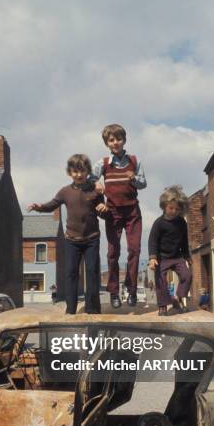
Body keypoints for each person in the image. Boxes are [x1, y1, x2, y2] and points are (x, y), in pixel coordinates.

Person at [28, 154, 107, 315]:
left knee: (92, 272)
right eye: (75, 171)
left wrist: (104, 209)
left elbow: (103, 212)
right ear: (69, 173)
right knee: (71, 273)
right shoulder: (65, 191)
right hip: (72, 240)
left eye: (82, 171)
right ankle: (71, 309)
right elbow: (52, 205)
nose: (78, 175)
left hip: (92, 239)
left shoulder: (96, 190)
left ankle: (93, 309)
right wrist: (39, 207)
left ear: (88, 172)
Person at [91, 124, 147, 309]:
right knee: (113, 253)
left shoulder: (134, 160)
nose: (115, 143)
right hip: (113, 212)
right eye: (111, 140)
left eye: (118, 139)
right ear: (107, 143)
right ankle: (114, 293)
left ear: (124, 140)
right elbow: (87, 179)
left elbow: (143, 183)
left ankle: (131, 291)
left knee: (135, 250)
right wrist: (97, 184)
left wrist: (134, 179)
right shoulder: (103, 163)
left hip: (132, 212)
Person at [148, 185, 193, 316]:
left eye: (177, 209)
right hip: (162, 257)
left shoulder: (182, 223)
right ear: (164, 206)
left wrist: (187, 256)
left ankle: (180, 296)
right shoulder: (159, 223)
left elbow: (184, 241)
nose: (173, 211)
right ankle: (163, 306)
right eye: (171, 208)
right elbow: (152, 241)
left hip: (176, 256)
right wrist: (152, 258)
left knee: (187, 275)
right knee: (161, 279)